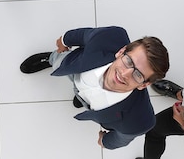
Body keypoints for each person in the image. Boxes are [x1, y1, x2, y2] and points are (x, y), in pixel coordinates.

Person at [19, 26, 169, 149]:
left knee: (83, 101)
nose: (124, 74)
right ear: (121, 52)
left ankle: (82, 99)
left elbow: (121, 138)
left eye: (138, 74)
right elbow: (84, 35)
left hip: (98, 107)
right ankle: (50, 59)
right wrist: (65, 40)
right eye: (129, 61)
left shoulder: (139, 121)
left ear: (144, 84)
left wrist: (105, 142)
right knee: (58, 61)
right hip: (76, 68)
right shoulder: (112, 36)